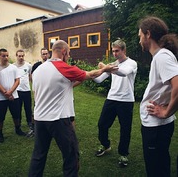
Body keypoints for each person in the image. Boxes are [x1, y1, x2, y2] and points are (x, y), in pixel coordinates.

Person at [28, 39, 116, 177]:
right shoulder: (62, 67)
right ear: (63, 52)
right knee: (71, 156)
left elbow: (41, 92)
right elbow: (90, 75)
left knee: (38, 155)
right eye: (68, 54)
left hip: (39, 119)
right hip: (58, 119)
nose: (68, 57)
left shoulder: (38, 70)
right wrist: (105, 69)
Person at [138, 16, 178, 177]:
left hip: (157, 126)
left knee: (156, 170)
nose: (139, 39)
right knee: (160, 164)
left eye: (140, 35)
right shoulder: (161, 56)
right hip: (156, 125)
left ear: (148, 34)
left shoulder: (162, 56)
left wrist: (167, 111)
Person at [94, 39, 137, 167]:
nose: (115, 53)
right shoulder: (112, 64)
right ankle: (106, 145)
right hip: (111, 99)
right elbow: (99, 80)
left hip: (126, 101)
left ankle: (123, 155)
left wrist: (106, 67)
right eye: (113, 51)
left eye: (117, 51)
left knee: (125, 129)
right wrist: (90, 74)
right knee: (102, 124)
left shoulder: (132, 63)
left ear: (124, 50)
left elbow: (123, 73)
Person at [0, 48, 26, 143]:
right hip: (1, 97)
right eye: (3, 56)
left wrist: (10, 92)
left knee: (16, 114)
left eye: (7, 55)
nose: (6, 57)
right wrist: (6, 93)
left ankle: (18, 129)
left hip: (14, 96)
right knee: (0, 116)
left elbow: (17, 81)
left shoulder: (13, 68)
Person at [13, 49, 34, 133]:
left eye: (22, 56)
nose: (21, 57)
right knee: (17, 109)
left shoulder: (28, 65)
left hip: (26, 90)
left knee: (28, 108)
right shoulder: (13, 66)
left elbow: (30, 76)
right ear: (16, 56)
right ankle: (18, 124)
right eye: (19, 56)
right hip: (17, 91)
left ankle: (29, 122)